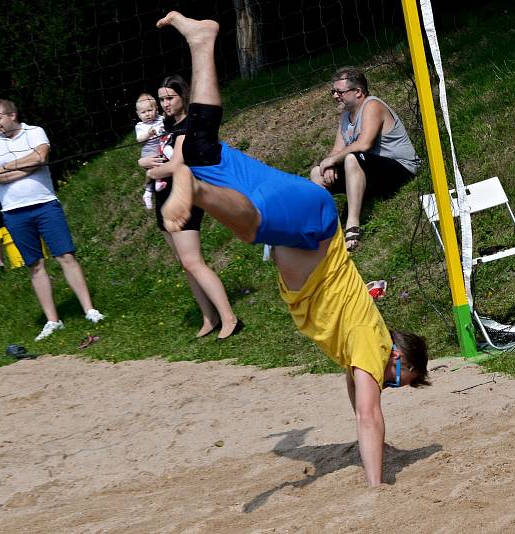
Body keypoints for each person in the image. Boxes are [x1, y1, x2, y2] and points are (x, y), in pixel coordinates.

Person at [155, 11, 430, 487]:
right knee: (249, 228)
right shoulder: (372, 342)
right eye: (395, 379)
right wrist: (376, 485)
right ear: (397, 355)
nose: (384, 386)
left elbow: (355, 395)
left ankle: (202, 41)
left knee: (199, 144)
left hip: (298, 222)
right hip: (314, 223)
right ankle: (194, 189)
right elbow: (368, 417)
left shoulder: (358, 346)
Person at [0, 99, 104, 341]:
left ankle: (90, 310)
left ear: (12, 115)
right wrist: (25, 166)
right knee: (34, 265)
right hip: (13, 211)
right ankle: (52, 321)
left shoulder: (34, 132)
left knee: (66, 256)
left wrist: (6, 167)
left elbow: (40, 157)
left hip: (45, 205)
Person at [137, 76, 241, 339]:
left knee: (194, 261)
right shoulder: (164, 127)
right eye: (161, 99)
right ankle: (210, 317)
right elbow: (153, 158)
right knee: (185, 264)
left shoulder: (188, 125)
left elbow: (176, 165)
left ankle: (230, 318)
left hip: (184, 197)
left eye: (170, 97)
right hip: (164, 198)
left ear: (183, 96)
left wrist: (151, 170)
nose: (165, 103)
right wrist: (146, 164)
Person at [309, 67, 420, 251]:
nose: (335, 96)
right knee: (316, 173)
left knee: (352, 158)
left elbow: (364, 144)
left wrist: (333, 160)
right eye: (333, 92)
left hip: (401, 169)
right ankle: (328, 232)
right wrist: (328, 165)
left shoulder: (372, 105)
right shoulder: (345, 116)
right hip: (371, 172)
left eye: (340, 92)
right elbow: (336, 150)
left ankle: (352, 224)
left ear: (358, 92)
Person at [134, 93, 166, 210]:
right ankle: (156, 184)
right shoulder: (140, 126)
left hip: (161, 144)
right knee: (155, 163)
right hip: (149, 148)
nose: (147, 114)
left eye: (150, 110)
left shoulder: (160, 119)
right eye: (143, 112)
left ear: (156, 109)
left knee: (161, 160)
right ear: (138, 114)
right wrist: (148, 134)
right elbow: (139, 140)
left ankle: (148, 192)